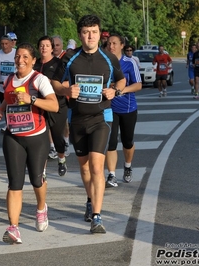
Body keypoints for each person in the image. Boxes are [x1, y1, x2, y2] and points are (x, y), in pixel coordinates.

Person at [51, 15, 126, 233]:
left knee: (96, 166)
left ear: (99, 33)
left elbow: (120, 79)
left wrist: (116, 90)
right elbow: (53, 83)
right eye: (85, 32)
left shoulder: (109, 58)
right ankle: (90, 199)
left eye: (94, 31)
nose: (90, 36)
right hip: (77, 119)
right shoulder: (70, 58)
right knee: (84, 167)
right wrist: (66, 90)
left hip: (102, 118)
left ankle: (97, 216)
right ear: (80, 34)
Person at [0, 42, 58, 244]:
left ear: (33, 60)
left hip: (36, 137)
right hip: (13, 137)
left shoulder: (40, 80)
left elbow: (54, 105)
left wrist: (31, 99)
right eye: (18, 57)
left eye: (25, 57)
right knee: (14, 183)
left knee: (37, 180)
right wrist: (0, 109)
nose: (20, 60)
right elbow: (8, 100)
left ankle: (41, 208)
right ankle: (13, 228)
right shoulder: (9, 79)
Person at [105, 34, 142, 187]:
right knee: (111, 142)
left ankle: (127, 166)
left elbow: (138, 85)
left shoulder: (129, 63)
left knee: (127, 142)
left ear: (121, 45)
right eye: (109, 43)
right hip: (109, 109)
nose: (111, 46)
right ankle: (112, 175)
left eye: (114, 43)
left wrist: (122, 90)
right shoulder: (104, 62)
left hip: (127, 108)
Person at [34, 36, 68, 177]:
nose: (44, 48)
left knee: (57, 136)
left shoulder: (59, 64)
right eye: (41, 45)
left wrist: (51, 83)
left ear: (52, 48)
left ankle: (61, 159)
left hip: (57, 105)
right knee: (41, 139)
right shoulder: (34, 64)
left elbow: (67, 83)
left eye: (47, 45)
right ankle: (43, 171)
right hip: (39, 105)